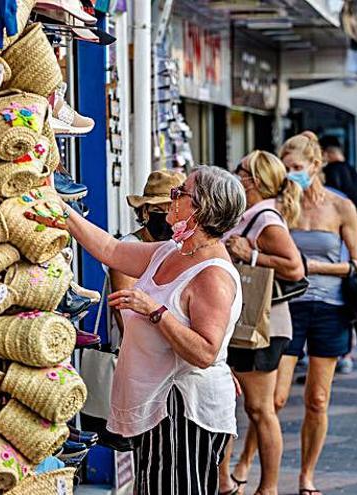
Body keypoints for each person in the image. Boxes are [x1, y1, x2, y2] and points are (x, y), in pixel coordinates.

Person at [66, 165, 245, 494]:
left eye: (180, 193)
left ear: (201, 208)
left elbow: (205, 351)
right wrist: (61, 211)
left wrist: (155, 311)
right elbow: (111, 250)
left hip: (183, 410)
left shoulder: (212, 275)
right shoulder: (171, 252)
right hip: (159, 407)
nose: (173, 199)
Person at [276, 131, 357, 495]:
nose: (291, 174)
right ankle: (250, 462)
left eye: (297, 167)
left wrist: (311, 266)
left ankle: (306, 474)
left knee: (317, 399)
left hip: (331, 307)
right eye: (286, 168)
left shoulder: (341, 207)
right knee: (275, 399)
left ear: (316, 166)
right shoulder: (283, 206)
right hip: (289, 305)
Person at [218, 151, 305, 495]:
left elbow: (294, 268)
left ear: (253, 180)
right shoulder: (249, 214)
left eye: (239, 170)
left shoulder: (266, 218)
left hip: (264, 325)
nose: (235, 175)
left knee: (259, 408)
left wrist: (249, 254)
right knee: (231, 404)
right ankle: (226, 482)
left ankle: (267, 488)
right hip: (247, 321)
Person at [111, 169, 187, 332]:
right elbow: (124, 313)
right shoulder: (129, 249)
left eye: (173, 211)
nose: (167, 218)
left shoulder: (183, 247)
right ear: (145, 211)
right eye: (159, 211)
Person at [321, 135, 357, 235]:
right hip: (354, 234)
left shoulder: (326, 173)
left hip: (333, 234)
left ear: (325, 153)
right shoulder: (356, 175)